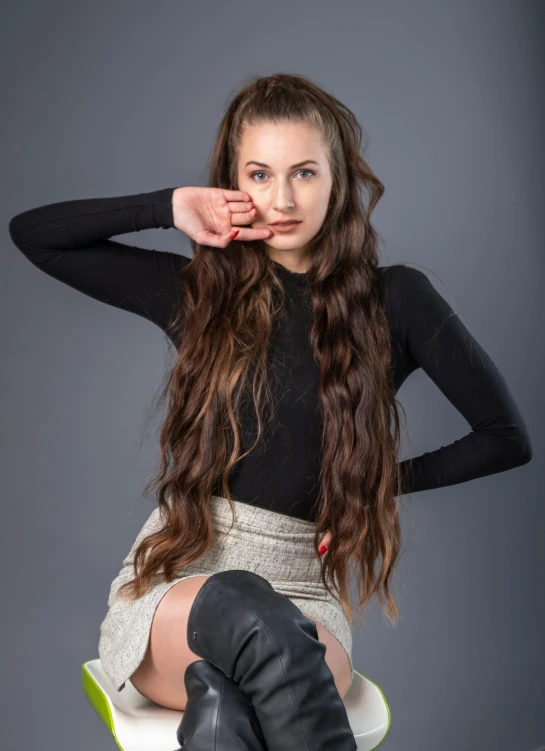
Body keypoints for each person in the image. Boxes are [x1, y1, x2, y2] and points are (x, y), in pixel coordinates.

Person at [8, 73, 532, 750]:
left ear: (338, 180)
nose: (281, 199)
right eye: (258, 174)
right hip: (185, 581)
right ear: (233, 183)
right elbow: (35, 234)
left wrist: (368, 484)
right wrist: (169, 207)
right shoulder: (199, 293)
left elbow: (503, 437)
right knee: (241, 607)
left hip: (304, 589)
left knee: (229, 713)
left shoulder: (396, 299)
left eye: (304, 173)